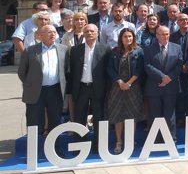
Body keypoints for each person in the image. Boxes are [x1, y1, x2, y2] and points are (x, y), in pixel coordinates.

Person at [18, 25, 69, 139]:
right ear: (41, 35)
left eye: (54, 32)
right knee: (34, 122)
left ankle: (54, 150)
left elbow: (65, 70)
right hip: (36, 91)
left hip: (55, 90)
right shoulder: (30, 50)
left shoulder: (63, 49)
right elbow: (22, 71)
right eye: (49, 32)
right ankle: (33, 152)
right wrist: (29, 85)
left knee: (55, 121)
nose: (53, 34)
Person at [69, 23, 109, 152]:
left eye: (92, 31)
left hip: (98, 88)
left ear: (97, 33)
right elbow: (72, 71)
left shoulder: (105, 49)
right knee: (79, 116)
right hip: (81, 88)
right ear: (83, 33)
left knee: (99, 117)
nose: (89, 33)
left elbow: (107, 71)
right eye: (87, 31)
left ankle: (98, 144)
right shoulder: (76, 50)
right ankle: (79, 144)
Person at [106, 29, 145, 154]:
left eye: (130, 36)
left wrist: (129, 83)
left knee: (131, 115)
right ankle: (119, 141)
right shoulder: (114, 51)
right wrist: (120, 82)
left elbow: (139, 69)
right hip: (117, 88)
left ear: (133, 38)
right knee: (118, 115)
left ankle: (130, 140)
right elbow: (110, 68)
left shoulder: (139, 51)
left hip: (133, 88)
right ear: (121, 38)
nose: (128, 39)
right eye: (125, 36)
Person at [143, 26, 183, 141]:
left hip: (171, 87)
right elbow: (147, 66)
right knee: (154, 115)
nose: (165, 36)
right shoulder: (149, 49)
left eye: (167, 34)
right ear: (156, 36)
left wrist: (168, 78)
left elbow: (179, 66)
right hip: (154, 87)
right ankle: (155, 140)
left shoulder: (177, 48)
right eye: (162, 34)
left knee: (169, 115)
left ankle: (171, 139)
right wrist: (162, 78)